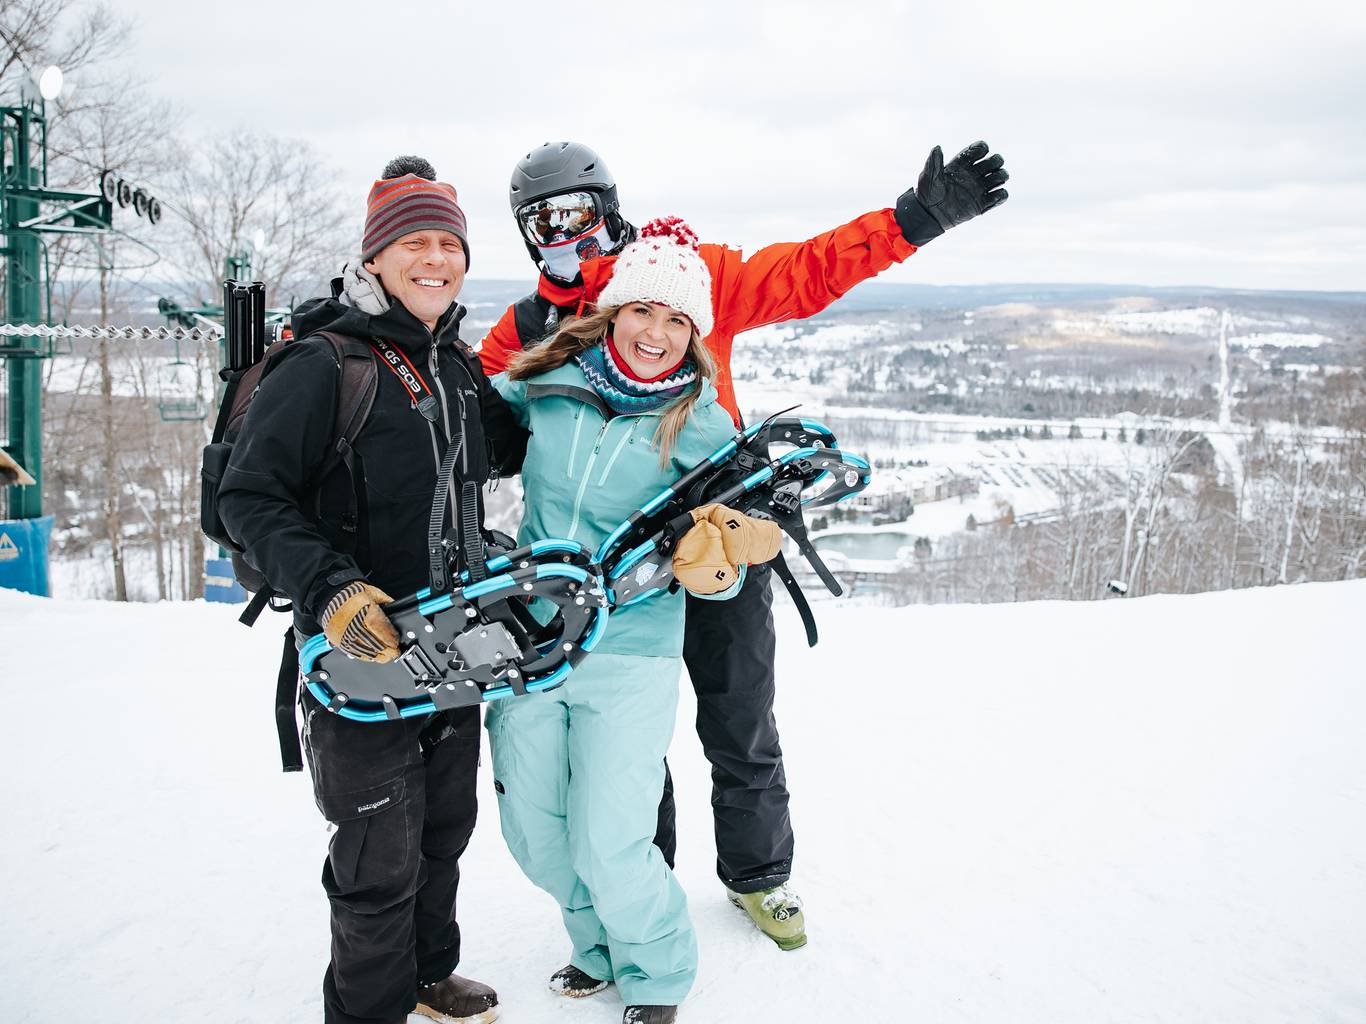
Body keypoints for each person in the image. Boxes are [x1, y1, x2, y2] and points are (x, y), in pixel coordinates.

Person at [479, 138, 1009, 950]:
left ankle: (759, 877)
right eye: (544, 221)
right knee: (621, 743)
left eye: (579, 213)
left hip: (714, 536)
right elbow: (468, 419)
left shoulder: (683, 272)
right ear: (525, 234)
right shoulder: (524, 328)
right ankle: (634, 890)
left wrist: (913, 220)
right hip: (606, 577)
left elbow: (803, 272)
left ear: (608, 208)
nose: (566, 232)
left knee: (739, 716)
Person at [218, 156, 527, 1024]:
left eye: (449, 243)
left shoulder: (457, 367)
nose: (436, 259)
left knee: (441, 833)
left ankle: (430, 974)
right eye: (415, 242)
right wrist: (332, 591)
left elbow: (515, 448)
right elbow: (248, 497)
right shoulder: (326, 364)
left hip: (452, 650)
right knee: (376, 858)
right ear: (378, 257)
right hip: (355, 659)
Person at [487, 217, 784, 1024]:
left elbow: (732, 556)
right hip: (533, 636)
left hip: (634, 648)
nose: (656, 333)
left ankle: (654, 975)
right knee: (536, 833)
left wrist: (722, 566)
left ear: (696, 334)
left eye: (678, 320)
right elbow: (455, 443)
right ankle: (597, 949)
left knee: (611, 838)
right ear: (612, 311)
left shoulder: (704, 425)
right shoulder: (544, 383)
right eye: (644, 312)